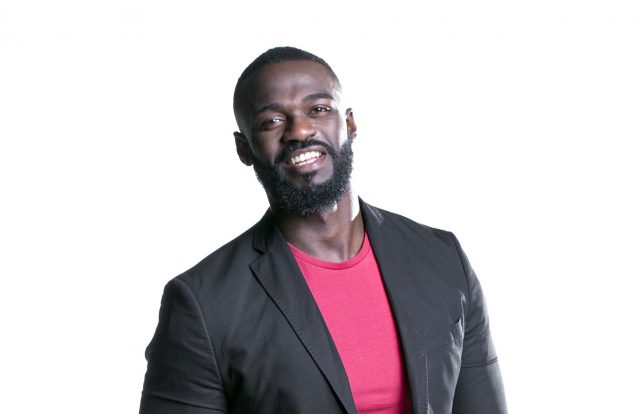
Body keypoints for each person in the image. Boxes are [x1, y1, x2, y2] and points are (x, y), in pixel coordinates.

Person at [139, 46, 507, 414]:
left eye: (318, 109)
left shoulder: (442, 258)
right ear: (244, 149)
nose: (299, 130)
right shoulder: (203, 302)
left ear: (350, 124)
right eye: (271, 121)